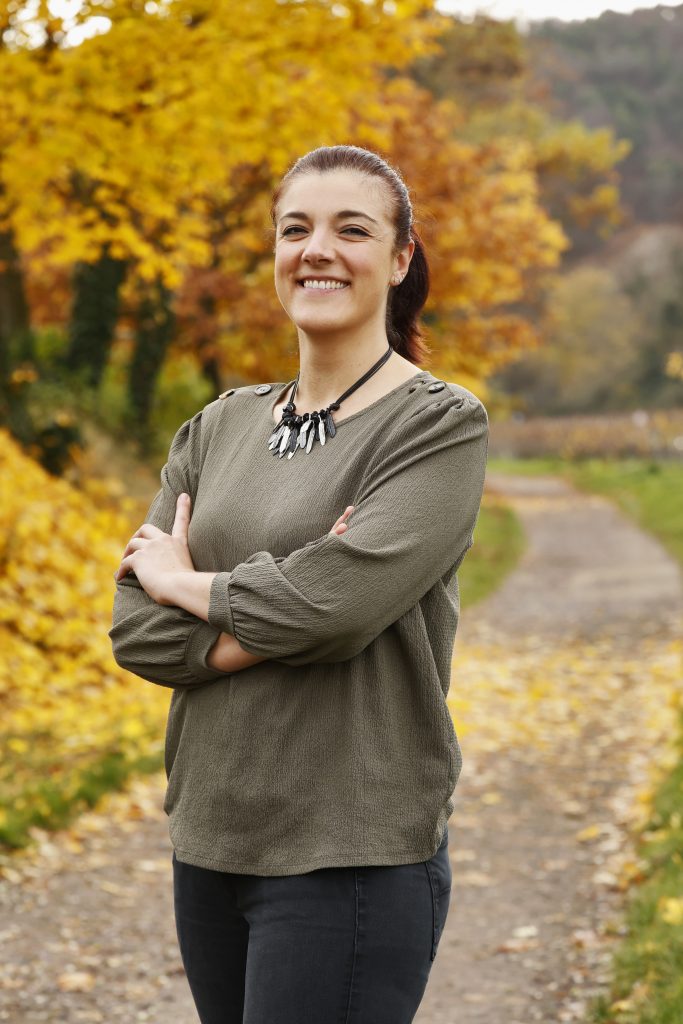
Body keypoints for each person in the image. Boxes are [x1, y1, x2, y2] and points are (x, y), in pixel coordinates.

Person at [109, 144, 489, 1024]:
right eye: (295, 229)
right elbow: (136, 631)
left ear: (398, 261)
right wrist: (287, 592)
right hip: (210, 836)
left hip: (347, 852)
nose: (316, 249)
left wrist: (189, 582)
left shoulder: (434, 425)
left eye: (350, 229)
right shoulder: (216, 427)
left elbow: (336, 608)